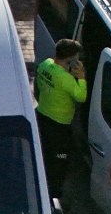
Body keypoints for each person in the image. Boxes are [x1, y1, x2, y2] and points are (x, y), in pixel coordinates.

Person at [34, 39, 87, 200]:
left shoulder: (45, 64)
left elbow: (38, 86)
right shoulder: (65, 78)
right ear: (70, 59)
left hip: (42, 115)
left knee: (44, 152)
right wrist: (81, 77)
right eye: (77, 58)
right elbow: (81, 96)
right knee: (59, 161)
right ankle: (54, 195)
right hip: (59, 126)